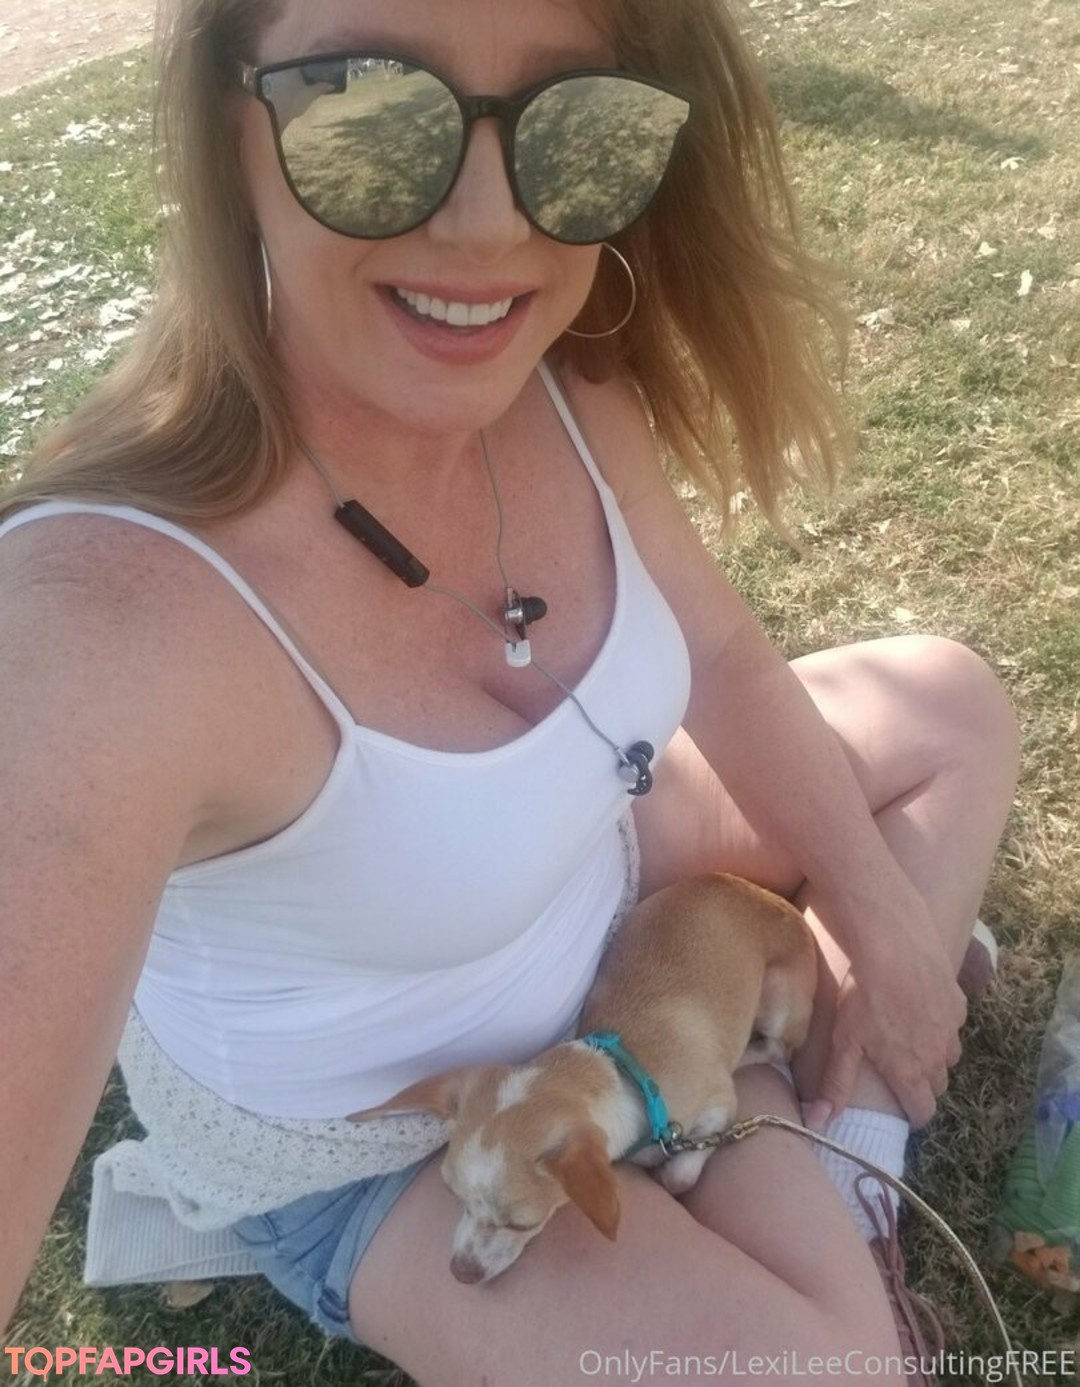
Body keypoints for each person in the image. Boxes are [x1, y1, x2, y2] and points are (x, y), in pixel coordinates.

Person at [0, 0, 1019, 1382]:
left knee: (949, 706)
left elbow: (722, 655)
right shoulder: (98, 625)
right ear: (230, 124)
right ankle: (794, 1124)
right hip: (393, 1148)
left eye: (578, 120)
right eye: (371, 106)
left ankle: (812, 1131)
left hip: (599, 879)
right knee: (837, 1371)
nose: (489, 228)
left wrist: (887, 927)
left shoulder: (564, 381)